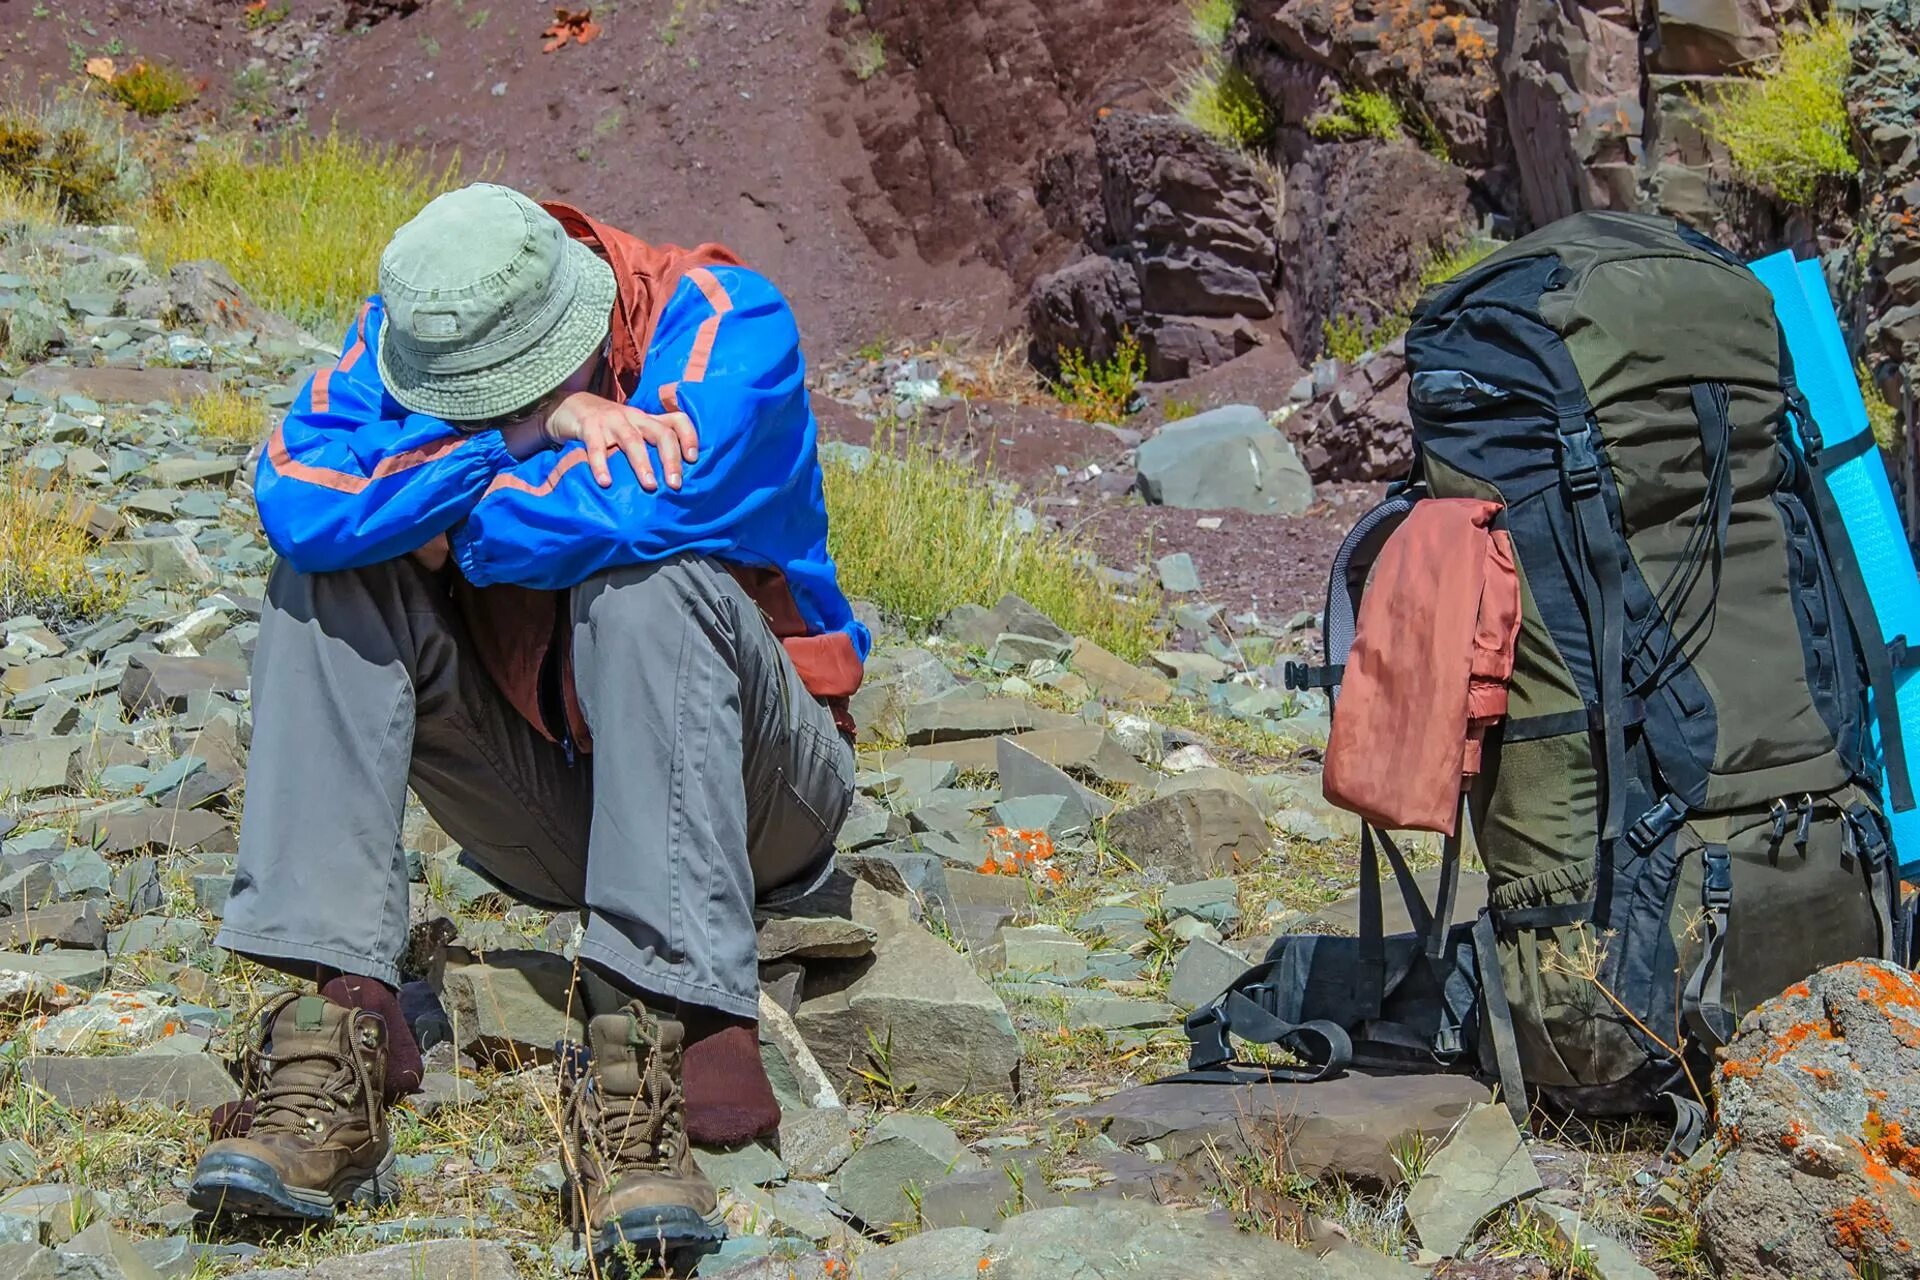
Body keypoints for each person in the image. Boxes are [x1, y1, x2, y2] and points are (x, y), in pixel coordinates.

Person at [187, 182, 867, 1266]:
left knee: (648, 580)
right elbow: (296, 497)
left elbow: (649, 502)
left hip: (760, 799)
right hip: (559, 812)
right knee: (324, 580)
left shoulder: (730, 321)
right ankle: (343, 1032)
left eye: (520, 384)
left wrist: (431, 514)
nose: (482, 408)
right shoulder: (414, 329)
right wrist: (527, 427)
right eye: (466, 398)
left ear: (592, 315)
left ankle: (662, 1029)